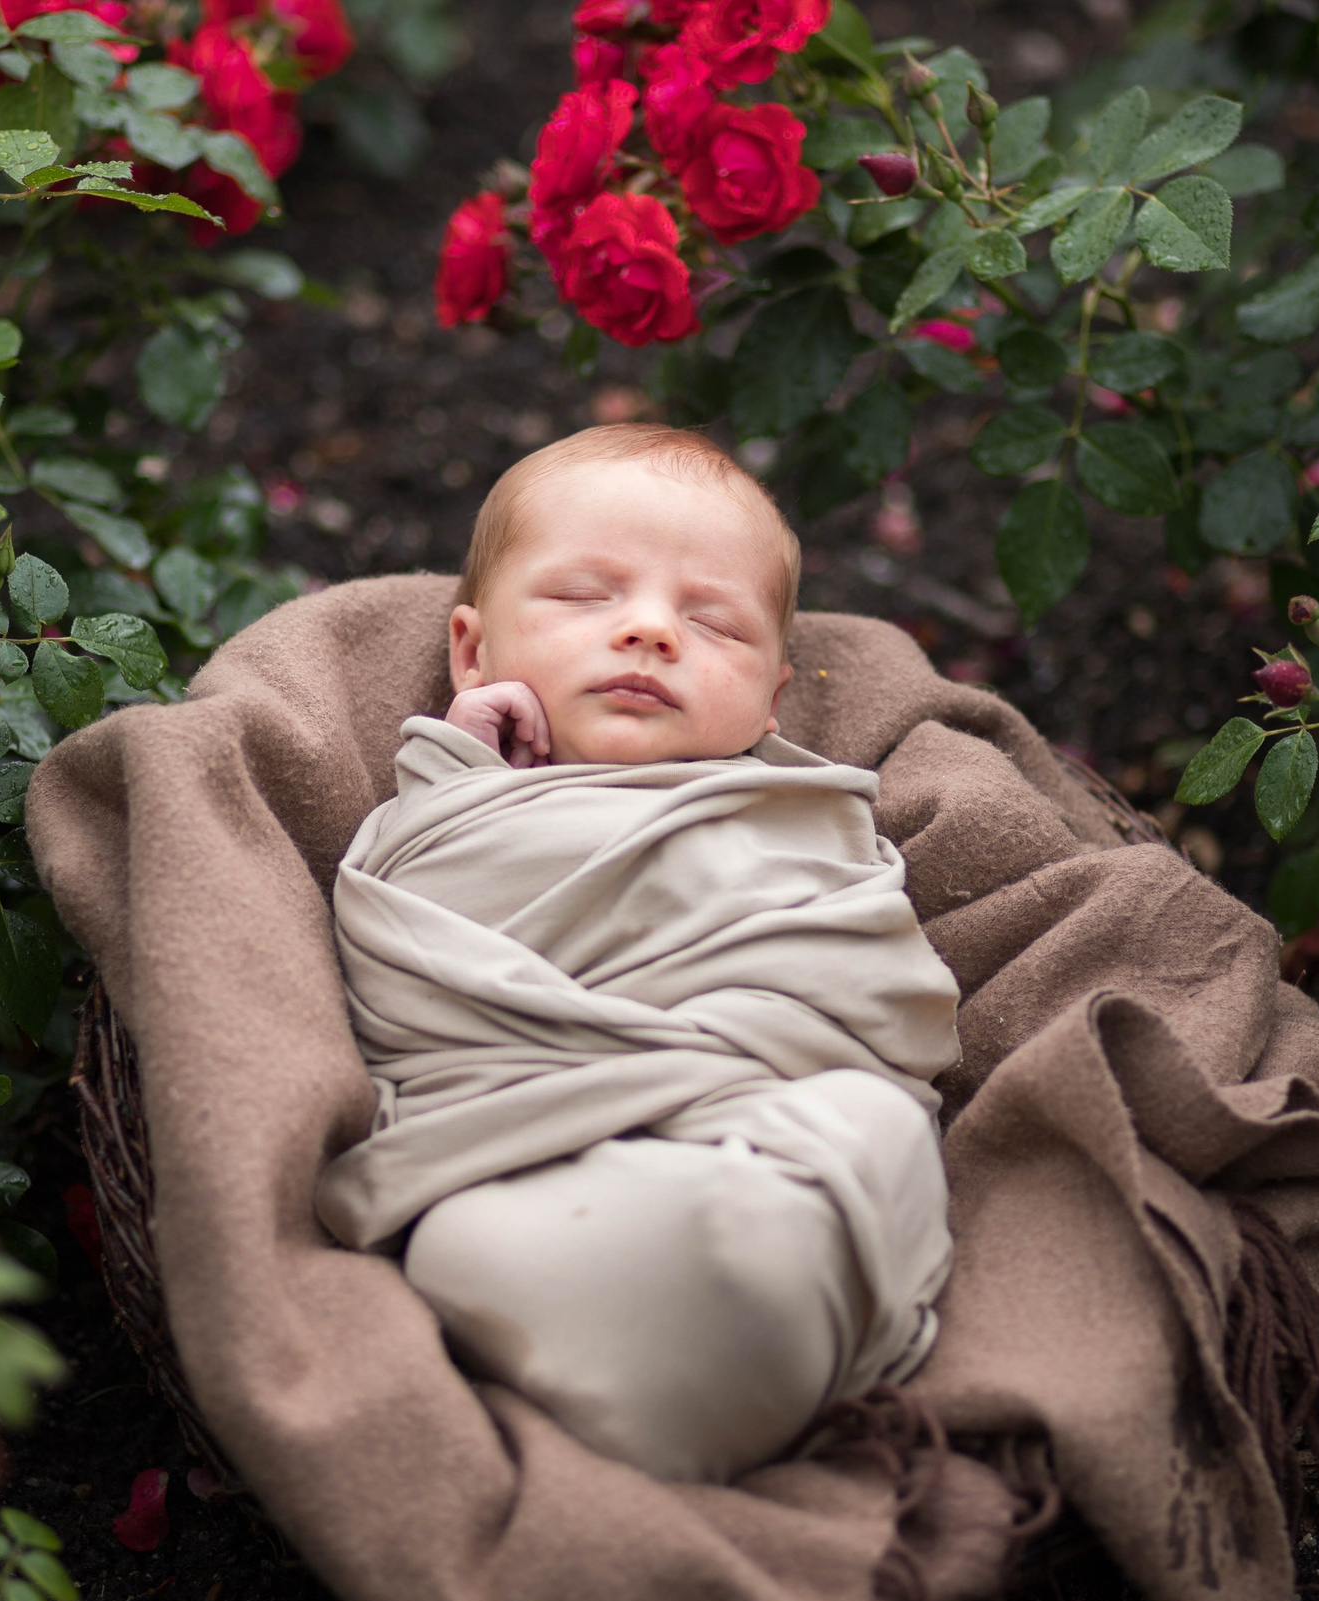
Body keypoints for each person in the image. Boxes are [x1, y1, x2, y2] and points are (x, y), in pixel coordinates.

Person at [314, 423, 960, 1483]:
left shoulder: (797, 814)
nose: (653, 631)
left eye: (713, 622)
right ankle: (728, 1333)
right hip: (520, 1148)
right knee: (463, 1241)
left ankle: (737, 1304)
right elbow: (404, 937)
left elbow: (873, 999)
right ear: (472, 653)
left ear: (770, 701)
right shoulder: (449, 812)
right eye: (585, 598)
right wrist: (455, 770)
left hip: (750, 1133)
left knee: (875, 1121)